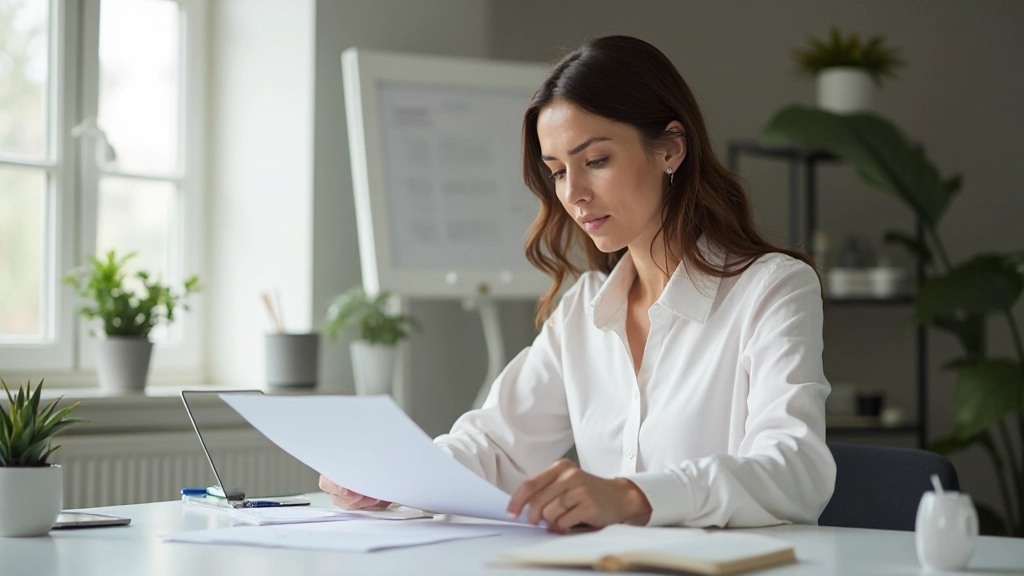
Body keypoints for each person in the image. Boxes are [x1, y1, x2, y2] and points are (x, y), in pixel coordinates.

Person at [320, 35, 836, 533]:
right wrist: (388, 475)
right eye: (558, 171)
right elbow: (497, 447)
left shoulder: (773, 289)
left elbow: (796, 470)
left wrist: (633, 496)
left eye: (595, 161)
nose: (575, 194)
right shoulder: (584, 308)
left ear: (671, 149)